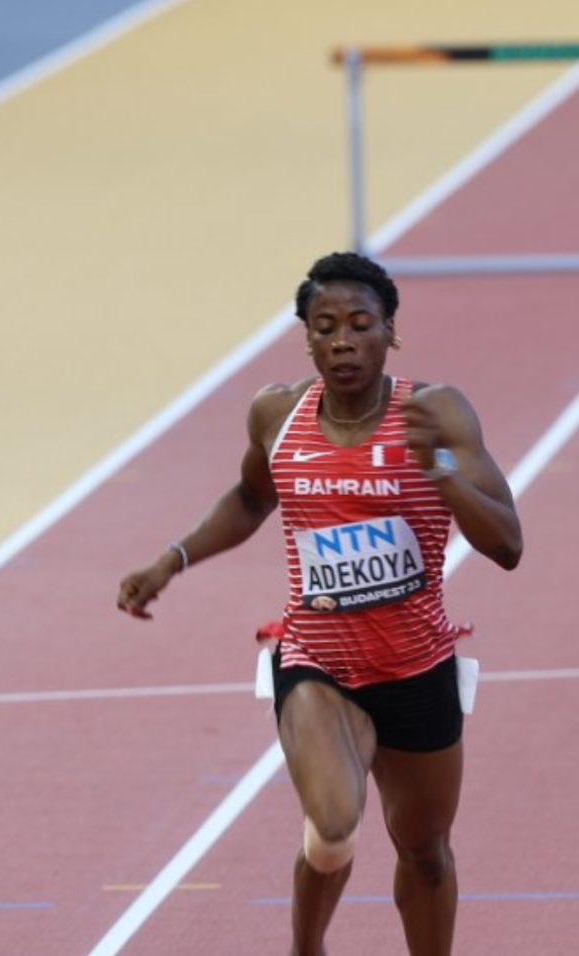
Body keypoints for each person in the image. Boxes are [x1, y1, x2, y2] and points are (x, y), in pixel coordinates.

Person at [116, 251, 521, 956]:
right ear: (304, 336)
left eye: (360, 324)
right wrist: (171, 559)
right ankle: (307, 949)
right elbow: (249, 498)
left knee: (424, 851)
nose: (342, 340)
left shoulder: (436, 412)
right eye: (324, 325)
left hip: (417, 664)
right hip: (316, 662)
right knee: (333, 827)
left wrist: (444, 470)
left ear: (390, 332)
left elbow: (508, 544)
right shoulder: (277, 413)